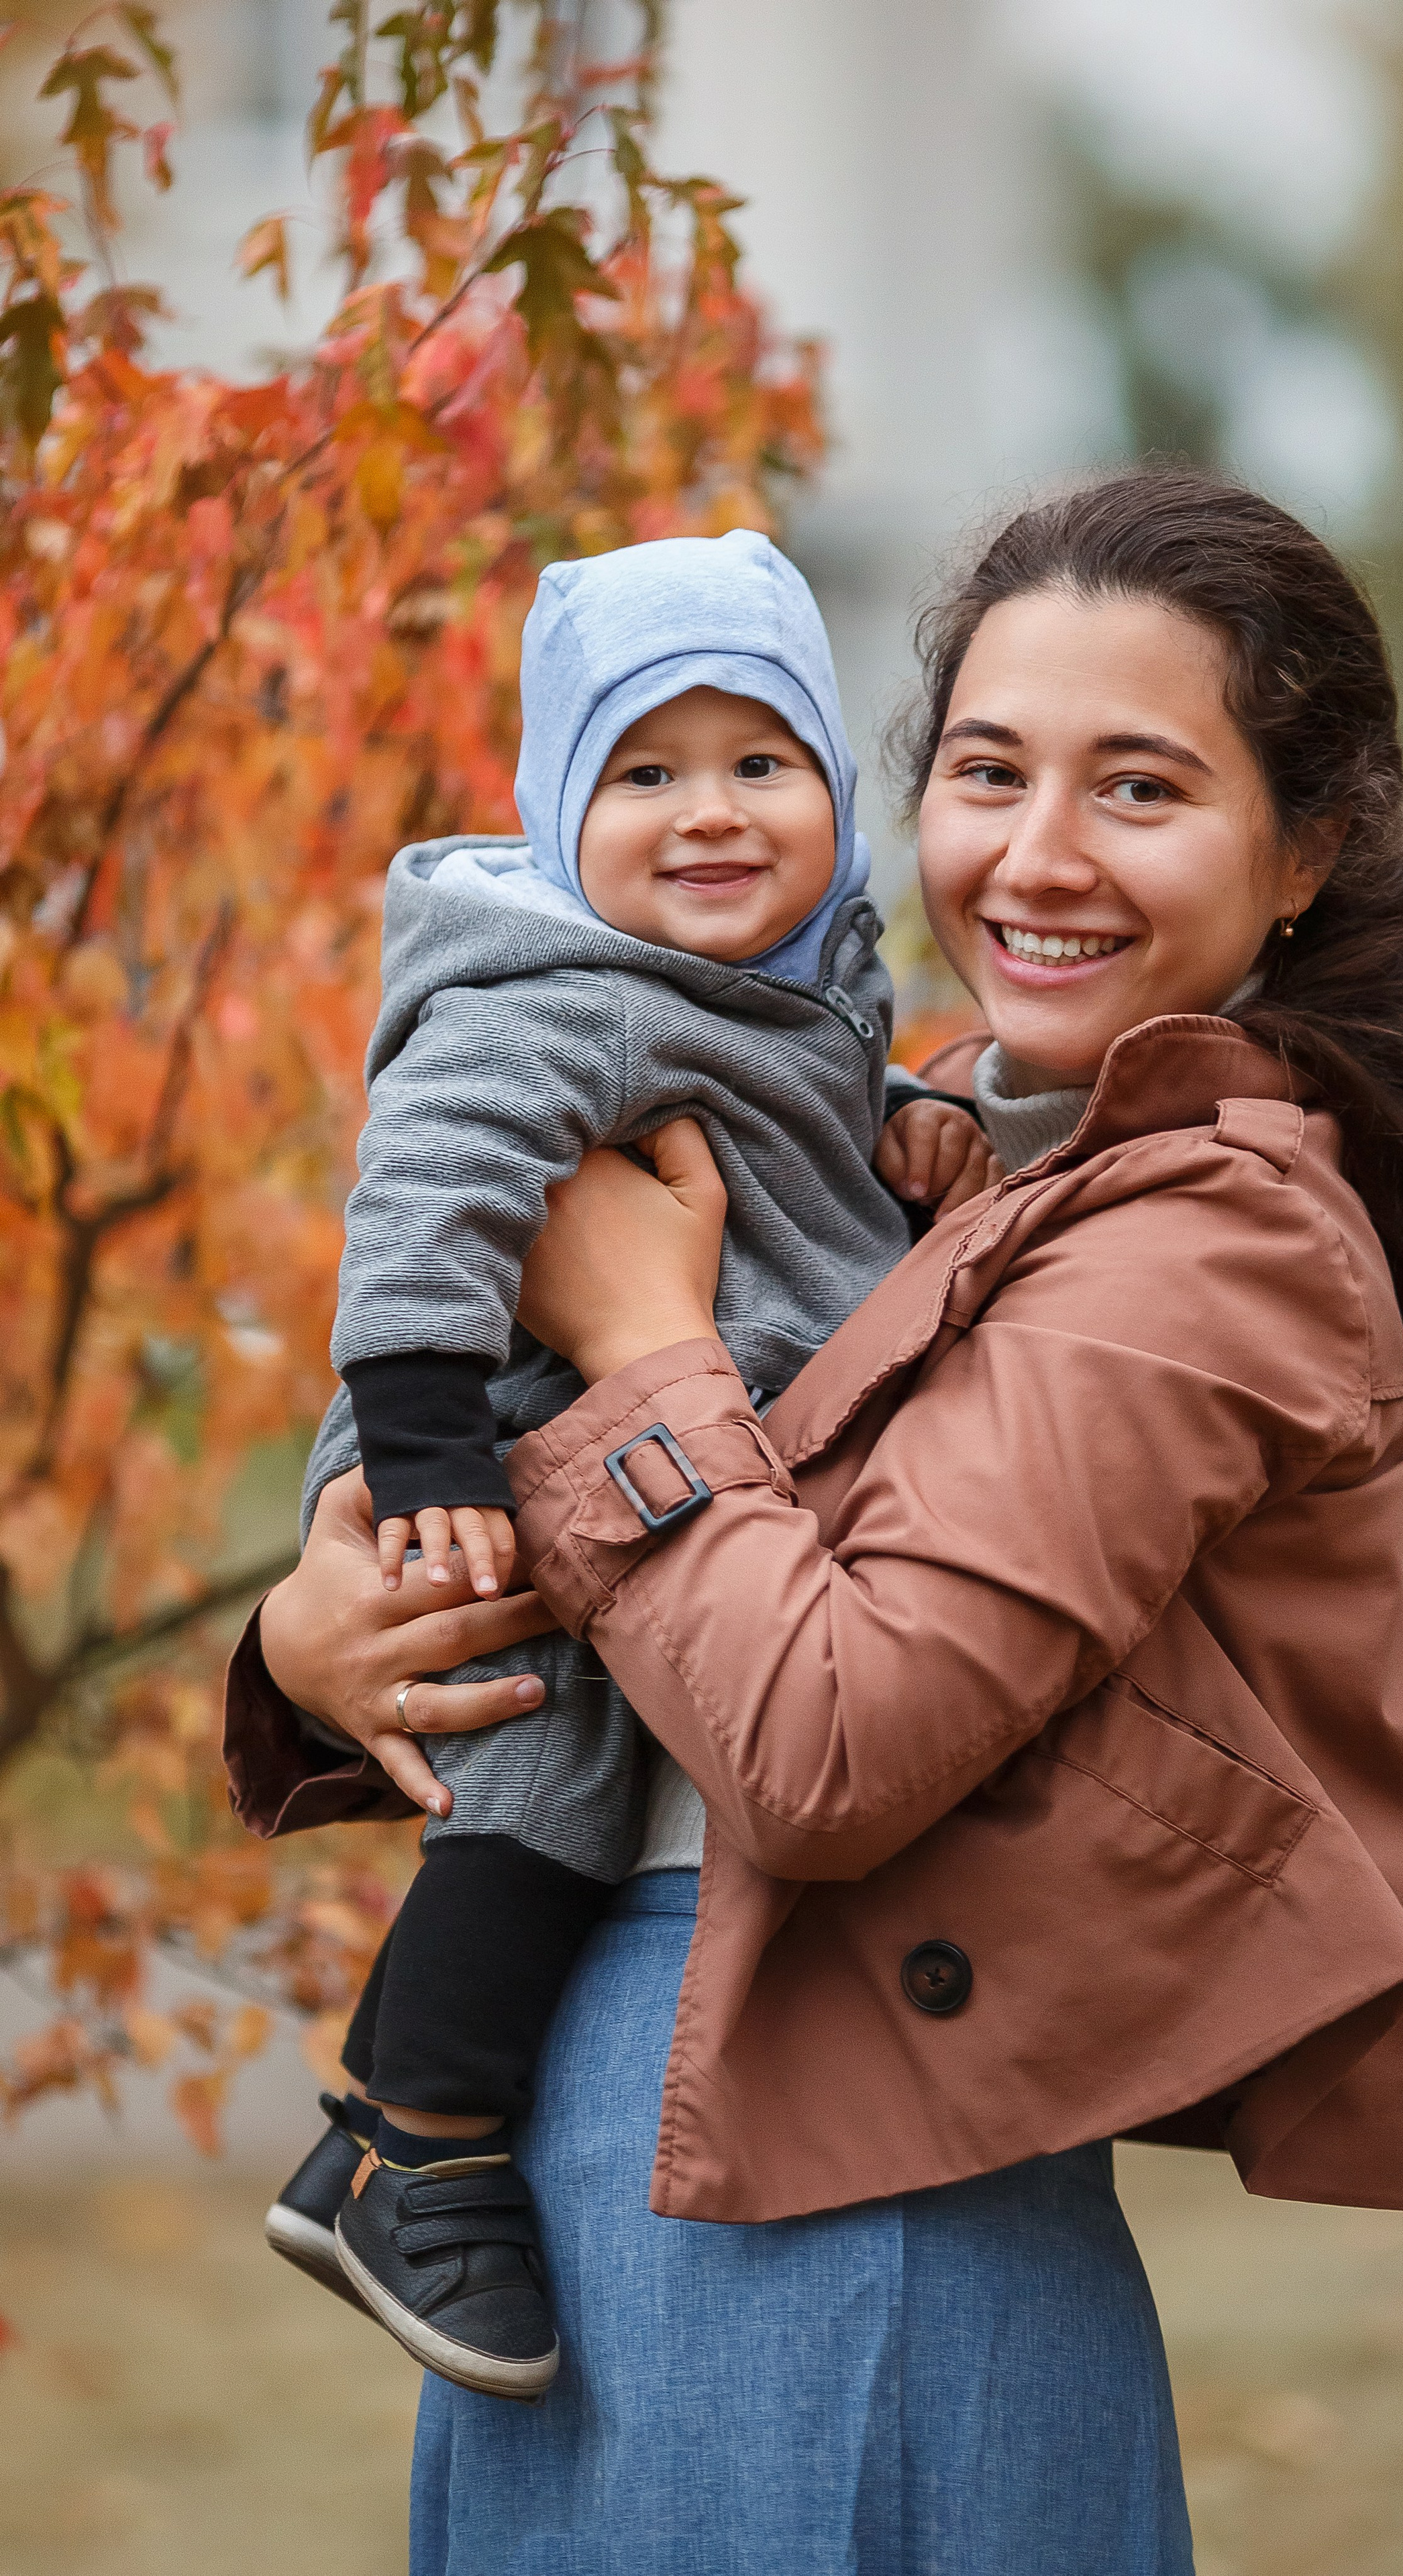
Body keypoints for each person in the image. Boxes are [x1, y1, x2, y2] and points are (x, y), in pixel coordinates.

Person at [227, 469, 1403, 2575]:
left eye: (1142, 789)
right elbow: (635, 1586)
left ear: (1306, 850)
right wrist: (307, 1646)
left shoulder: (1207, 1240)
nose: (1037, 855)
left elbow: (827, 1745)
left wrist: (642, 1344)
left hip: (834, 2198)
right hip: (629, 2131)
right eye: (991, 772)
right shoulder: (943, 1148)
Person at [261, 528, 997, 2400]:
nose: (711, 813)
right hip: (509, 1448)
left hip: (657, 1458)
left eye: (763, 763)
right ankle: (412, 2137)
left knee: (579, 1747)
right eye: (643, 773)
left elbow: (800, 1154)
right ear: (558, 811)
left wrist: (905, 1122)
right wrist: (427, 1437)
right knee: (556, 1765)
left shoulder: (804, 994)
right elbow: (429, 1182)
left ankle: (394, 2144)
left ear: (836, 792)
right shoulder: (564, 993)